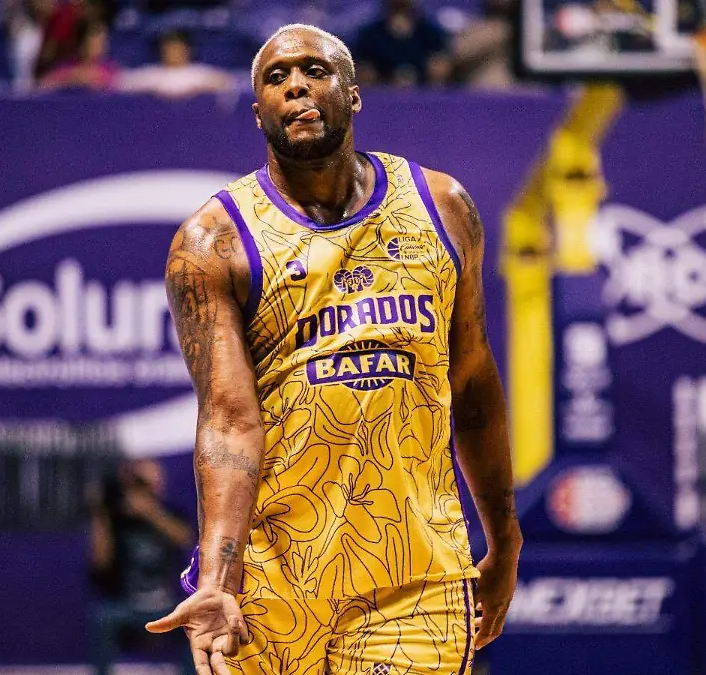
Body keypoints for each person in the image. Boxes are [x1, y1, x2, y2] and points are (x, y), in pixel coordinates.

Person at [146, 23, 523, 675]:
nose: (296, 85)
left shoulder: (442, 207)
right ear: (258, 109)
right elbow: (229, 419)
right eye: (276, 77)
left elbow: (471, 384)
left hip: (414, 576)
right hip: (270, 581)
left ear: (353, 93)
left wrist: (505, 537)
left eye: (315, 70)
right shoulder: (212, 242)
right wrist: (218, 577)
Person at [88, 459, 194, 675]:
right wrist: (101, 513)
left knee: (195, 621)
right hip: (126, 605)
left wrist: (149, 512)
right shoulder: (116, 521)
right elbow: (100, 562)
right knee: (103, 619)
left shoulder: (169, 514)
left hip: (165, 603)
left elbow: (184, 538)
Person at [353, 0, 451, 86]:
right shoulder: (370, 36)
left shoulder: (431, 34)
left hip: (424, 93)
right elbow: (362, 71)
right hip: (382, 93)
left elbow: (440, 67)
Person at [117, 30, 233, 100]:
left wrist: (200, 90)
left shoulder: (199, 73)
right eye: (169, 48)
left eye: (177, 48)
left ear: (187, 50)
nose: (173, 52)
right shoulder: (152, 73)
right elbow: (123, 83)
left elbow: (227, 83)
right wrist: (151, 92)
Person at [39, 19, 117, 91]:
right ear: (82, 43)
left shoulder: (111, 71)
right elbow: (42, 87)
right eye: (95, 41)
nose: (101, 46)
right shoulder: (63, 70)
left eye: (102, 41)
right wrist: (69, 80)